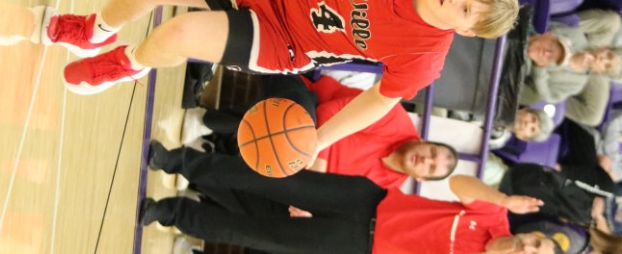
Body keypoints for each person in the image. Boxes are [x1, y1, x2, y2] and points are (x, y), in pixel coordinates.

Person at [38, 0, 519, 155]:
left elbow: (379, 101)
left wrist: (319, 141)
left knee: (176, 35)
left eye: (466, 9)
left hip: (282, 37)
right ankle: (95, 30)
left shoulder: (424, 57)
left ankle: (129, 64)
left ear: (466, 30)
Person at [141, 152, 559, 254]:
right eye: (537, 244)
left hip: (354, 246)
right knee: (273, 179)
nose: (528, 250)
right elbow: (459, 183)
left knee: (255, 235)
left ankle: (171, 213)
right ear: (535, 234)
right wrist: (503, 197)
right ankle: (180, 161)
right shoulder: (495, 214)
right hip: (367, 202)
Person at [184, 74, 458, 187]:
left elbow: (335, 195)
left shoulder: (387, 187)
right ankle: (203, 121)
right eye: (432, 152)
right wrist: (315, 162)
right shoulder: (394, 118)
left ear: (421, 178)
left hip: (301, 165)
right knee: (291, 131)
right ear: (424, 141)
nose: (426, 159)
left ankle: (201, 168)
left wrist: (307, 199)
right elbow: (328, 113)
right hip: (303, 99)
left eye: (431, 167)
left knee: (287, 206)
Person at [490, 107, 555, 150]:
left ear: (523, 137)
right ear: (525, 110)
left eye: (532, 129)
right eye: (533, 119)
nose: (528, 124)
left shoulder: (497, 141)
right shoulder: (504, 98)